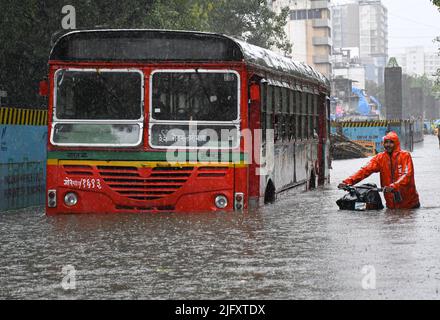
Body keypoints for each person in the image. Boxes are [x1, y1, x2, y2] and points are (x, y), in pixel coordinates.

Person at [338, 131, 420, 210]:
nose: (388, 145)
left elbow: (407, 175)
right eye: (386, 142)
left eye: (391, 142)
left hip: (410, 205)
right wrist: (347, 182)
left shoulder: (405, 155)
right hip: (391, 206)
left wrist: (394, 186)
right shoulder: (380, 158)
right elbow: (365, 170)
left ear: (396, 143)